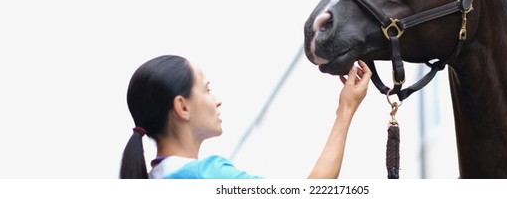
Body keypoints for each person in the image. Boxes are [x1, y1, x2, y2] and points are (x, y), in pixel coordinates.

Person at [119, 54, 371, 179]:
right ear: (182, 107)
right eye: (207, 89)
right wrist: (345, 109)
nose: (217, 100)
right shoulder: (207, 175)